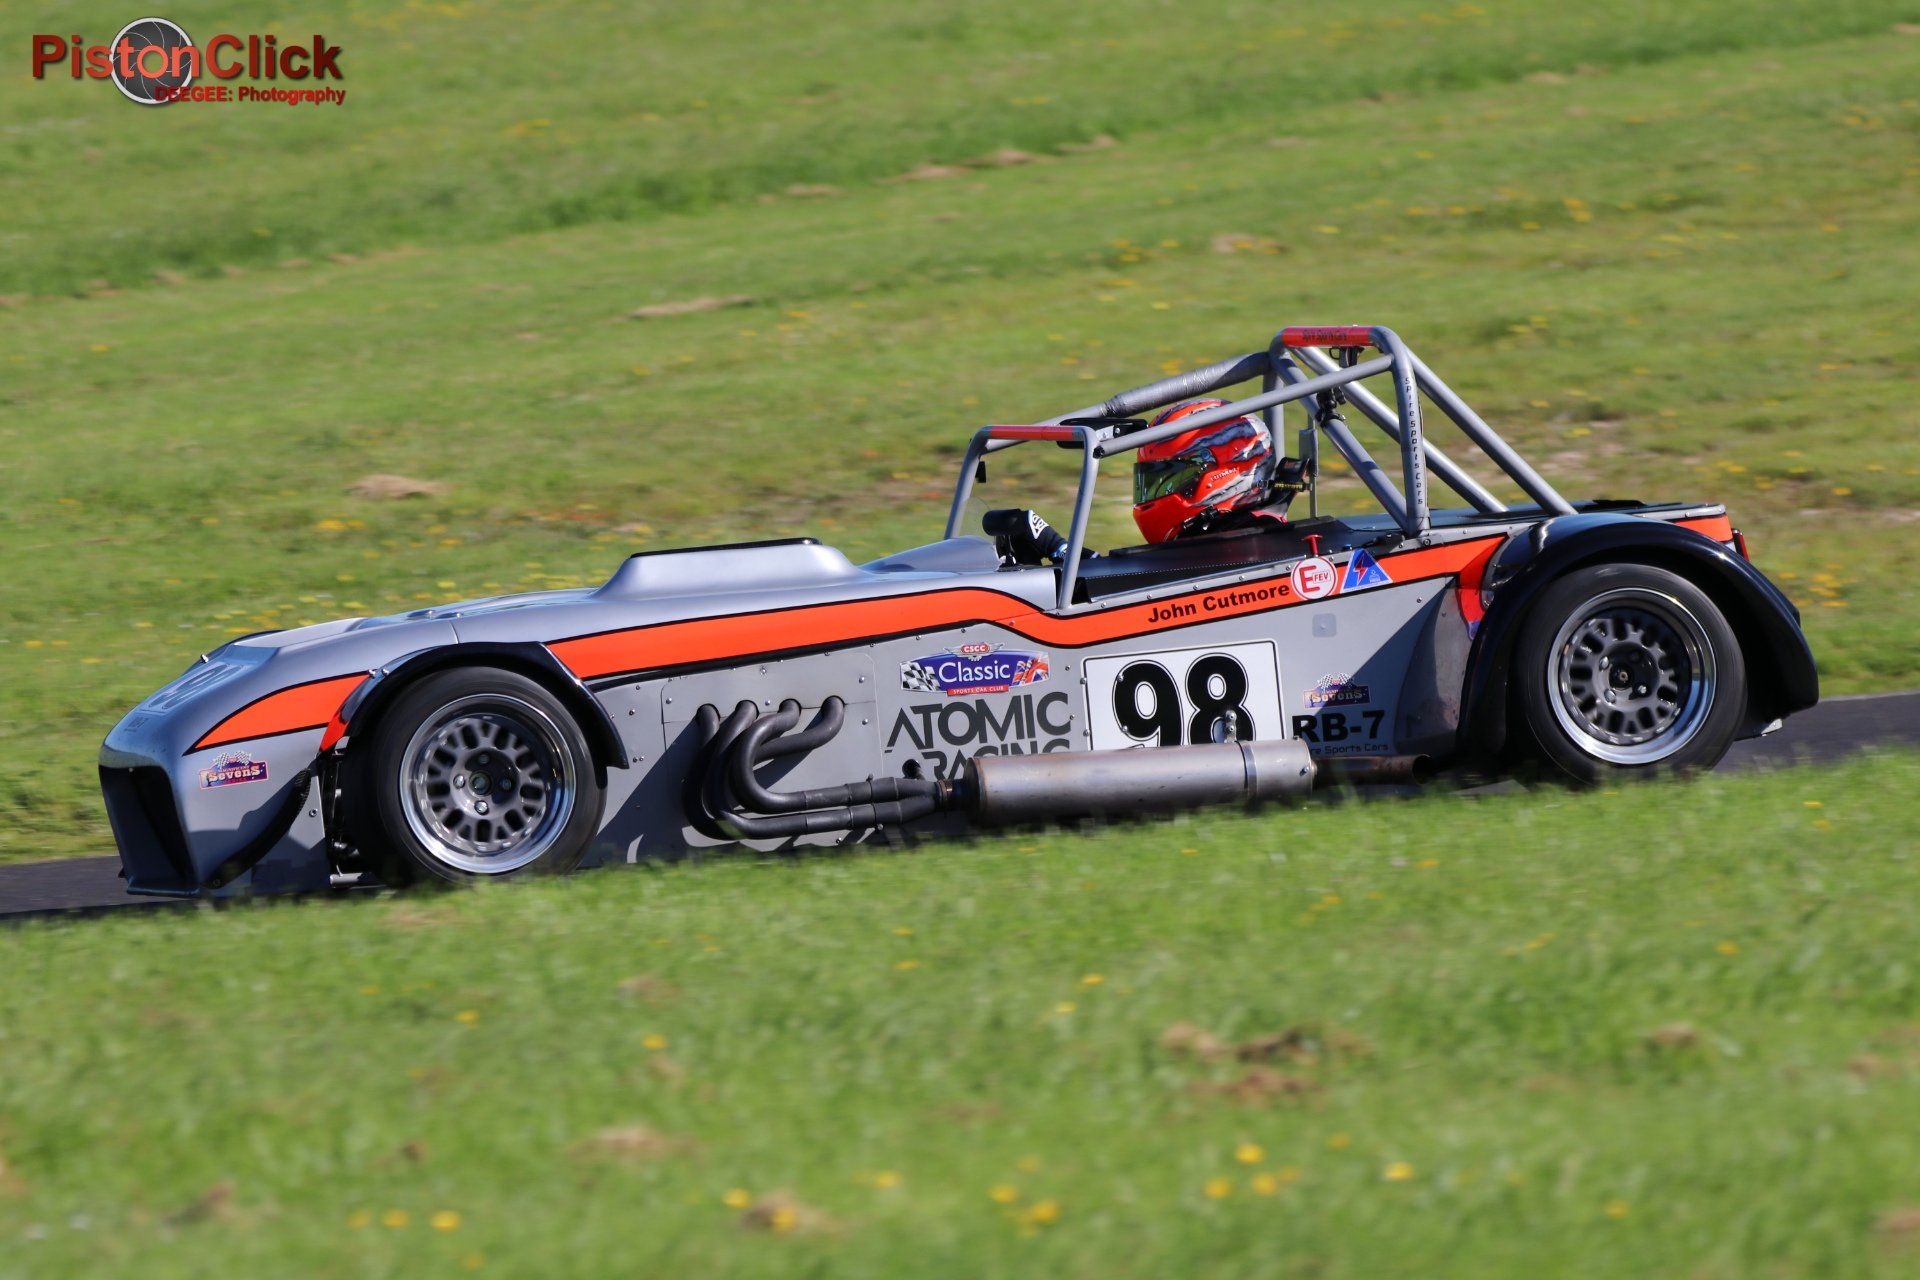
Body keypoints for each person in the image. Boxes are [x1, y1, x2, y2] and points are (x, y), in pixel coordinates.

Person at [988, 398, 1307, 566]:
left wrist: (1058, 549)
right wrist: (1061, 551)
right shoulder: (1209, 539)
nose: (1155, 492)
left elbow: (1150, 590)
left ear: (1222, 476)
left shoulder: (1252, 546)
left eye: (1168, 478)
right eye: (1151, 479)